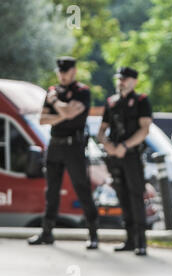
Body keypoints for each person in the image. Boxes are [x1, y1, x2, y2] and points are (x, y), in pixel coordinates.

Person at [28, 56, 99, 249]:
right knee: (51, 190)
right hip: (55, 145)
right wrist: (63, 112)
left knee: (82, 189)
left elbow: (68, 113)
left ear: (73, 71)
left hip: (74, 146)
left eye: (64, 72)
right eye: (59, 72)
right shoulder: (53, 90)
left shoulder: (82, 91)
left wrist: (56, 106)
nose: (61, 75)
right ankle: (47, 232)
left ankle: (93, 234)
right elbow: (42, 119)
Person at [97, 67, 152, 256]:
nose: (122, 82)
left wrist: (125, 147)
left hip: (132, 156)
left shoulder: (141, 101)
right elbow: (102, 131)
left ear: (134, 81)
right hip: (115, 157)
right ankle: (129, 240)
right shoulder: (111, 103)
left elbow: (144, 130)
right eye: (120, 79)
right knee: (122, 197)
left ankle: (141, 242)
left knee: (136, 197)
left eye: (126, 79)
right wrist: (109, 146)